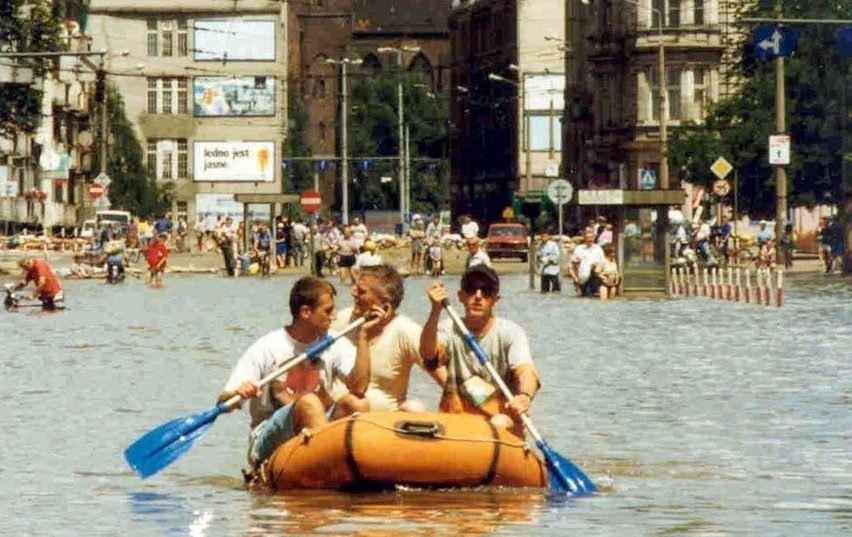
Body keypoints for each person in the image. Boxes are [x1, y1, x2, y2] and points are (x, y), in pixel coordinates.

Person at [217, 276, 386, 474]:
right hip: (268, 436)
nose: (334, 316)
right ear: (306, 312)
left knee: (357, 403)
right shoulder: (267, 347)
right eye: (328, 310)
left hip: (317, 427)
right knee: (309, 403)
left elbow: (359, 388)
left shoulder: (333, 341)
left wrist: (363, 336)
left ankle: (345, 467)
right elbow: (223, 403)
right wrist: (239, 392)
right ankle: (328, 467)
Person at [420, 265, 540, 438]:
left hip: (500, 420)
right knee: (413, 408)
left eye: (486, 291)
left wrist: (525, 396)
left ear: (495, 299)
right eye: (471, 288)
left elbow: (525, 371)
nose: (478, 296)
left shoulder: (511, 332)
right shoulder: (447, 328)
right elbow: (428, 355)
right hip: (457, 419)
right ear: (460, 296)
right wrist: (435, 311)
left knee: (498, 422)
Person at [329, 265, 443, 412]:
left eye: (361, 291)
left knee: (416, 408)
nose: (353, 293)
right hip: (337, 418)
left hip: (383, 424)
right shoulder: (341, 321)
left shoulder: (405, 330)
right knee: (354, 402)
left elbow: (443, 376)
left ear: (384, 302)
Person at [567, 229, 605, 297]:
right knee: (582, 298)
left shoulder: (598, 249)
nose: (590, 239)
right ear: (584, 238)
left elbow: (603, 263)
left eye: (591, 237)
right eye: (588, 238)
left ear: (594, 238)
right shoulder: (579, 249)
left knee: (593, 298)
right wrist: (575, 278)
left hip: (594, 279)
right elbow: (571, 265)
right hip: (581, 279)